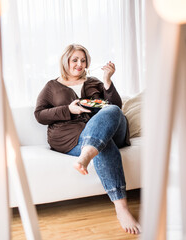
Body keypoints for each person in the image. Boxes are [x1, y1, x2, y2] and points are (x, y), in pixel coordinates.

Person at [34, 44, 141, 235]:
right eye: (74, 60)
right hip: (71, 137)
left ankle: (87, 154)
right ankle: (122, 208)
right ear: (65, 61)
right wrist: (68, 110)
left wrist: (107, 81)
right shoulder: (51, 87)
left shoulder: (93, 82)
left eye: (83, 60)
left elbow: (116, 108)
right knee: (104, 145)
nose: (79, 64)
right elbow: (40, 115)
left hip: (107, 128)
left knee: (112, 110)